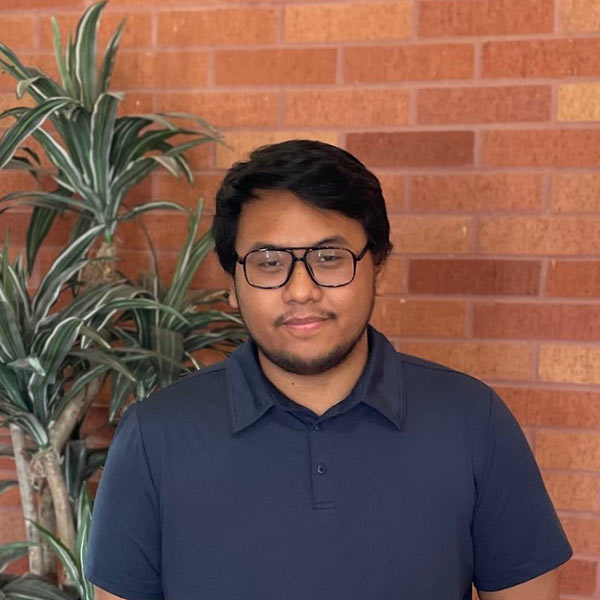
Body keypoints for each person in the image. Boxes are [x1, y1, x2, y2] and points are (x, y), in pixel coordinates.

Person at [84, 139, 572, 600]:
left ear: (378, 266)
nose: (301, 290)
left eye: (329, 257)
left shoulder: (472, 421)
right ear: (231, 281)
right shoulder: (154, 438)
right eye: (269, 262)